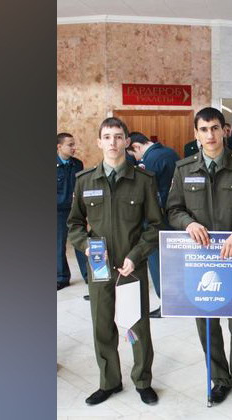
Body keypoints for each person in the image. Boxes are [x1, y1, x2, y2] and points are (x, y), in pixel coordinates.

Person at [166, 107, 232, 405]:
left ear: (225, 130)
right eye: (203, 129)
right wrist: (188, 223)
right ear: (196, 134)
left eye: (214, 128)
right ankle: (220, 379)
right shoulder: (183, 169)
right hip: (201, 260)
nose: (210, 135)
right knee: (207, 322)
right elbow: (173, 209)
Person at [67, 117, 163, 406]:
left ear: (126, 142)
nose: (113, 142)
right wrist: (86, 246)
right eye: (107, 137)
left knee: (137, 325)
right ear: (99, 142)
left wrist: (136, 255)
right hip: (99, 267)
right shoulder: (85, 180)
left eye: (118, 136)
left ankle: (142, 380)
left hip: (132, 265)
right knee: (102, 325)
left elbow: (155, 226)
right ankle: (109, 382)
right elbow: (74, 225)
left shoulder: (143, 180)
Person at [127, 132, 180, 317]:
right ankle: (178, 299)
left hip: (157, 219)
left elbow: (144, 192)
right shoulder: (171, 152)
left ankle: (166, 303)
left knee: (157, 262)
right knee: (175, 262)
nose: (136, 159)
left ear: (136, 146)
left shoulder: (148, 161)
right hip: (176, 216)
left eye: (134, 154)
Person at [57, 132, 89, 291]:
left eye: (74, 144)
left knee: (81, 242)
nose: (74, 148)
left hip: (76, 210)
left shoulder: (77, 164)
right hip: (58, 212)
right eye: (70, 145)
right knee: (58, 245)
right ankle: (61, 278)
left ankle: (88, 275)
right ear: (59, 147)